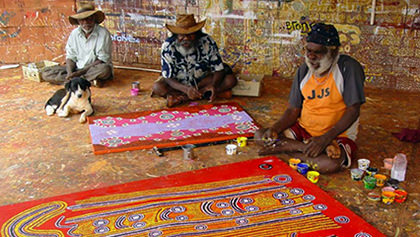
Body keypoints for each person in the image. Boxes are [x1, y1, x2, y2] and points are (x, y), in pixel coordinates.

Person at [255, 23, 366, 174]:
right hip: (304, 130)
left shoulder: (348, 68)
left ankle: (286, 149)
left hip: (336, 135)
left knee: (328, 164)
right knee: (260, 135)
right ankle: (301, 148)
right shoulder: (304, 70)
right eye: (308, 50)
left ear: (333, 52)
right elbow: (293, 109)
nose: (311, 56)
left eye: (318, 52)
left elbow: (353, 110)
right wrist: (275, 129)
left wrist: (325, 139)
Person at [152, 14, 237, 107]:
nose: (186, 38)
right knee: (158, 87)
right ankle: (203, 94)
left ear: (197, 33)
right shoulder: (168, 46)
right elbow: (168, 77)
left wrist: (213, 85)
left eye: (190, 34)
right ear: (176, 35)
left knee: (231, 80)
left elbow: (219, 68)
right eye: (182, 35)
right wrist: (186, 89)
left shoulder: (207, 41)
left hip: (202, 81)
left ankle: (183, 98)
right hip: (179, 84)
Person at [41, 4, 113, 87]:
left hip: (93, 69)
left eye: (89, 19)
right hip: (77, 68)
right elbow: (71, 57)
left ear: (94, 19)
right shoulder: (74, 34)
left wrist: (79, 73)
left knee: (105, 70)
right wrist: (70, 73)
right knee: (46, 73)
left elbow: (102, 59)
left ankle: (75, 81)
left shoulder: (103, 33)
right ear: (78, 21)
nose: (86, 23)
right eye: (82, 20)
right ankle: (85, 81)